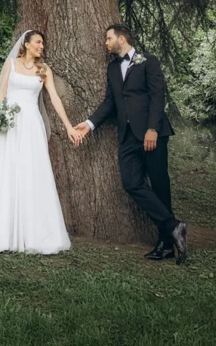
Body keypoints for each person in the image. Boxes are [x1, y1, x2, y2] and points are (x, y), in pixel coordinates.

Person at [74, 24, 187, 264]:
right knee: (131, 182)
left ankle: (166, 244)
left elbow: (158, 96)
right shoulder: (113, 68)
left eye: (108, 38)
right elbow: (110, 102)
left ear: (121, 39)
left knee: (159, 185)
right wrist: (89, 124)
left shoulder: (149, 61)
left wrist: (153, 129)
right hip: (127, 137)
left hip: (151, 134)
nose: (105, 43)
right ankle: (173, 226)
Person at [0, 29, 78, 254]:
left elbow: (53, 98)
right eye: (37, 42)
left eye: (42, 43)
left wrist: (68, 125)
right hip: (9, 123)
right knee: (3, 171)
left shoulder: (44, 70)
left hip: (31, 126)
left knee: (29, 172)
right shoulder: (11, 64)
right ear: (25, 44)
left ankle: (31, 232)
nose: (41, 46)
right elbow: (2, 94)